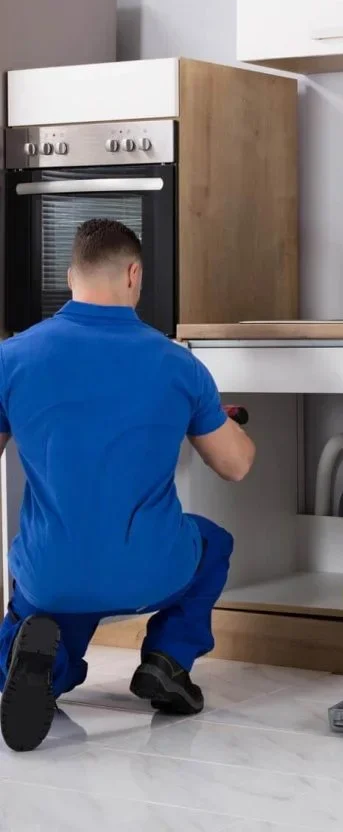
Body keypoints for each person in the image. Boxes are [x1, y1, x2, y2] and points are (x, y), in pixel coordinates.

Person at [0, 219, 255, 752]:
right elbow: (235, 466)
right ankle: (167, 660)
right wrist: (211, 416)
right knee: (213, 543)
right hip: (150, 571)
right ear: (134, 274)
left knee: (48, 605)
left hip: (52, 574)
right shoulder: (178, 364)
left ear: (71, 276)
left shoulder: (12, 358)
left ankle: (28, 662)